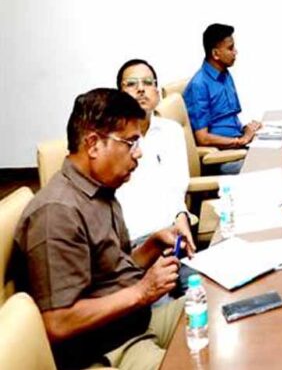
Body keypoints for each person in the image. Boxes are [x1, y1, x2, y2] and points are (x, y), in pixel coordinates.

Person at [13, 88, 194, 370]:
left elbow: (109, 274)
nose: (139, 153)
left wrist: (152, 246)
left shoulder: (101, 191)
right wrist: (143, 291)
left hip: (135, 323)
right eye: (131, 142)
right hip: (107, 349)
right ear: (94, 144)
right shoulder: (56, 213)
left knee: (218, 308)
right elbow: (57, 322)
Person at [115, 58, 196, 247]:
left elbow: (177, 187)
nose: (140, 89)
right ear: (119, 96)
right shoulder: (113, 140)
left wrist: (181, 215)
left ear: (157, 92)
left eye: (147, 83)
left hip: (172, 234)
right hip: (133, 241)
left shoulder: (172, 131)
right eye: (131, 84)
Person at [183, 23, 261, 174]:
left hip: (237, 148)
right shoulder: (199, 85)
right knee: (262, 168)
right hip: (220, 158)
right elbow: (203, 139)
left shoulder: (225, 75)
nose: (235, 52)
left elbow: (228, 119)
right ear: (215, 54)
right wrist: (240, 141)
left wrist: (247, 130)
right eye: (230, 48)